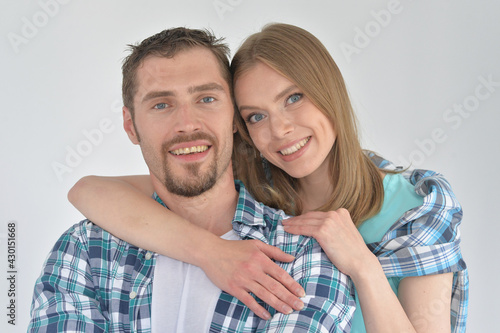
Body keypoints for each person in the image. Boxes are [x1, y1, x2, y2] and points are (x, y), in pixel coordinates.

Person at [67, 23, 469, 332]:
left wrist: (363, 265)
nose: (280, 130)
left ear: (328, 89)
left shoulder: (416, 204)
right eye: (256, 116)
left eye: (293, 98)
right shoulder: (253, 179)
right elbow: (90, 192)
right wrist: (211, 253)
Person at [28, 27, 357, 332]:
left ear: (234, 116)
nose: (187, 124)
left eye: (206, 99)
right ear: (130, 126)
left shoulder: (301, 254)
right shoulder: (86, 249)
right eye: (161, 104)